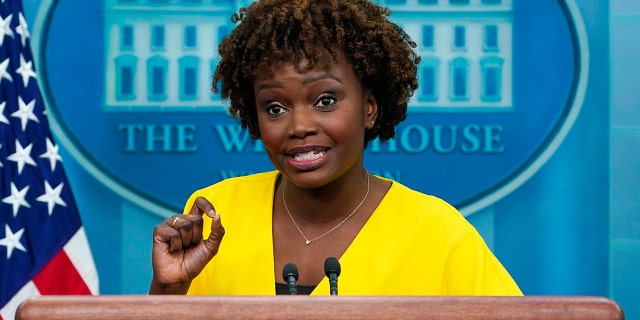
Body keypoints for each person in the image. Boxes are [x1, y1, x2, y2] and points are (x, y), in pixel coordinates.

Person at [149, 0, 522, 296]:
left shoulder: (438, 234)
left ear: (370, 108)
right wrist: (169, 288)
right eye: (275, 108)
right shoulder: (218, 214)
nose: (299, 127)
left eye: (326, 100)